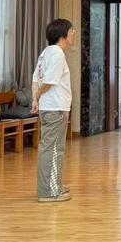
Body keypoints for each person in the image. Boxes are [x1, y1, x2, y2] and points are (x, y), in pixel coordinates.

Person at [31, 19, 75, 203]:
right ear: (62, 35)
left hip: (50, 107)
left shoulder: (46, 53)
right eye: (71, 31)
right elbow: (48, 82)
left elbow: (35, 78)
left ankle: (53, 184)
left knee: (53, 148)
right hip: (55, 108)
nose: (73, 34)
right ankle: (49, 191)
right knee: (53, 149)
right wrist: (38, 95)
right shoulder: (57, 54)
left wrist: (35, 99)